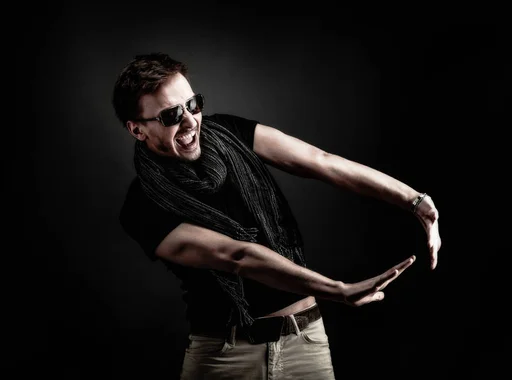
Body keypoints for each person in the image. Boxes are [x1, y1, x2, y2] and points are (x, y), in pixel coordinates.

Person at [113, 52, 441, 380]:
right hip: (223, 359)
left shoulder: (231, 134)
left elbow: (322, 161)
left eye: (193, 104)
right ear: (137, 129)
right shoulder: (142, 204)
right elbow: (237, 256)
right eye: (171, 114)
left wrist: (415, 201)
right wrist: (338, 290)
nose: (190, 121)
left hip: (305, 343)